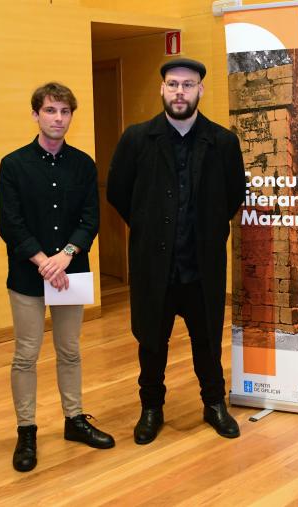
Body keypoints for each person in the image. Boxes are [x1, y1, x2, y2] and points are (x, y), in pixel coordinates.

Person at [107, 57, 245, 444]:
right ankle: (151, 408)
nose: (179, 92)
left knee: (206, 341)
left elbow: (235, 195)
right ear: (162, 90)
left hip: (202, 265)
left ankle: (214, 404)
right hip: (155, 266)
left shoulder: (222, 142)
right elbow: (118, 192)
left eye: (187, 85)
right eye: (172, 84)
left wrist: (208, 230)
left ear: (200, 90)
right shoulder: (137, 139)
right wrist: (150, 227)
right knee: (151, 342)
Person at [0, 82, 114, 473]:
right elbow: (10, 223)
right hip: (28, 276)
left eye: (64, 112)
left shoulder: (83, 164)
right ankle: (26, 430)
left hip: (71, 272)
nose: (58, 119)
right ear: (36, 114)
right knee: (26, 354)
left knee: (70, 350)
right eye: (50, 111)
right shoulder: (12, 164)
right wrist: (43, 260)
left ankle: (75, 420)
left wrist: (64, 257)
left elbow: (90, 219)